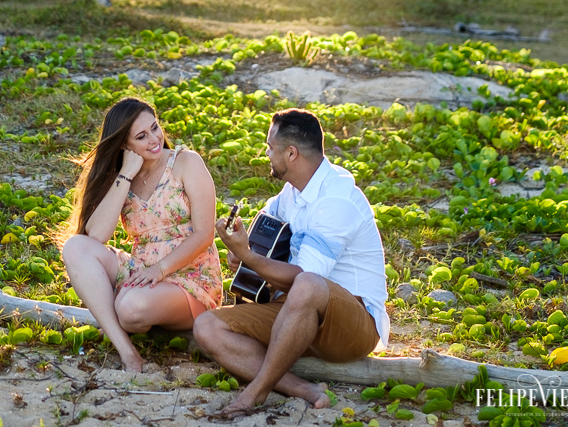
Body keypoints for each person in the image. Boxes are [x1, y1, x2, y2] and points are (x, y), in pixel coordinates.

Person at [194, 107, 389, 419]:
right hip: (297, 314)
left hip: (355, 324)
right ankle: (302, 388)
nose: (266, 154)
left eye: (270, 147)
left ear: (292, 153)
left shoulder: (335, 201)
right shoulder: (294, 191)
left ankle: (255, 391)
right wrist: (244, 250)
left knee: (308, 285)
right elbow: (265, 228)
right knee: (207, 326)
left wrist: (248, 256)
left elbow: (305, 279)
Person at [61, 97, 222, 372]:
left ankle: (117, 309)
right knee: (75, 247)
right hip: (142, 272)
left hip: (191, 277)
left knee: (130, 308)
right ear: (125, 145)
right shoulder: (123, 176)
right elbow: (96, 235)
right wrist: (125, 172)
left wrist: (160, 270)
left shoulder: (185, 163)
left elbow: (205, 234)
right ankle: (128, 352)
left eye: (155, 128)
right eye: (141, 136)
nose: (154, 139)